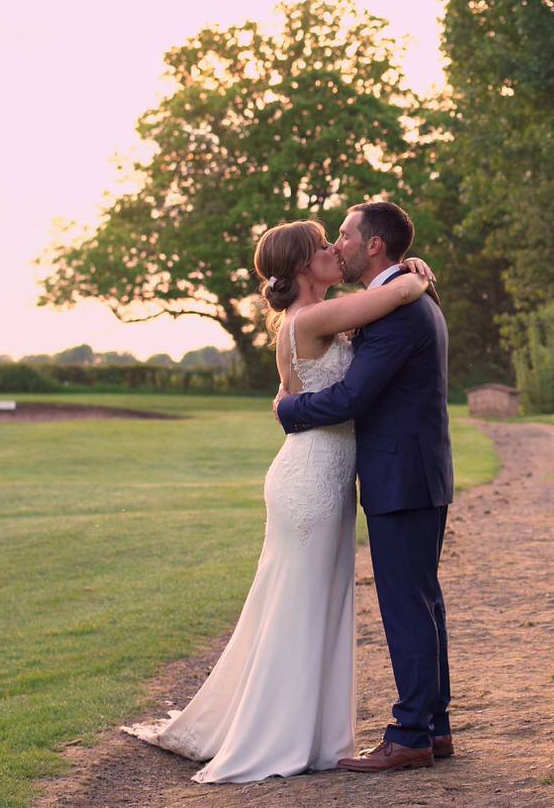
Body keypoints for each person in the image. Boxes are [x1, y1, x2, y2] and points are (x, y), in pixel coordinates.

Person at [122, 217, 435, 782]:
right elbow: (398, 299)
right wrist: (412, 275)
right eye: (323, 247)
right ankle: (276, 734)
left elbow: (324, 372)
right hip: (311, 482)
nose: (334, 251)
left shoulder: (313, 318)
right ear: (300, 266)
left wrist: (402, 270)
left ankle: (305, 730)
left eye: (336, 240)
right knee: (299, 603)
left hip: (326, 475)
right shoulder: (314, 317)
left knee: (309, 601)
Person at [276, 200, 455, 772]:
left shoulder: (399, 308)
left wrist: (289, 410)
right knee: (421, 601)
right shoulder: (397, 298)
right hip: (411, 471)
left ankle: (410, 736)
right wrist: (412, 274)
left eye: (347, 236)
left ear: (374, 245)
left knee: (408, 605)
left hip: (401, 474)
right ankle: (433, 727)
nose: (340, 245)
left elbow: (354, 398)